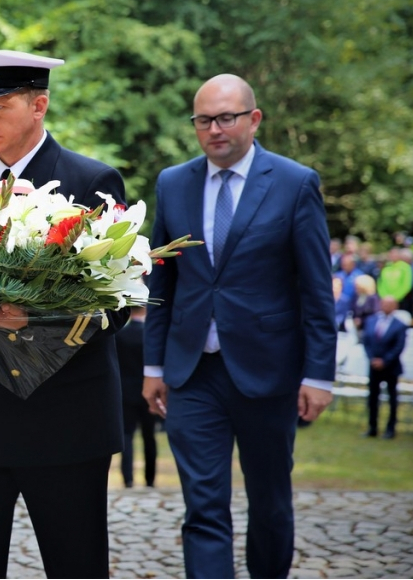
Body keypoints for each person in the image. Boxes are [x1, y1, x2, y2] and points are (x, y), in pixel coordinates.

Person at [0, 49, 129, 578]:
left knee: (75, 565)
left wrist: (35, 320)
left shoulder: (91, 182)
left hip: (65, 415)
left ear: (39, 104)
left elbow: (119, 304)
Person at [143, 74, 336, 579]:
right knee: (203, 507)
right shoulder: (173, 182)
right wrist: (154, 363)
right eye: (204, 120)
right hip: (192, 374)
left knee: (270, 502)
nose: (214, 130)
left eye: (226, 117)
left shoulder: (295, 183)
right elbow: (162, 281)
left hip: (268, 373)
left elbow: (316, 288)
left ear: (253, 119)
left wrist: (319, 375)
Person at [114, 305, 157, 488]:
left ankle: (128, 478)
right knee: (149, 436)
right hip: (150, 392)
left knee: (127, 436)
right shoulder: (151, 334)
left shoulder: (119, 335)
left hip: (126, 393)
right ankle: (150, 479)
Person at [362, 296, 407, 439]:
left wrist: (385, 361)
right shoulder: (371, 321)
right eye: (384, 304)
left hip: (391, 367)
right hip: (373, 366)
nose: (386, 307)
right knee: (373, 398)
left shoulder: (400, 325)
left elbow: (399, 346)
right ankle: (372, 427)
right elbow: (366, 342)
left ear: (395, 306)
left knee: (392, 398)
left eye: (390, 304)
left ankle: (390, 429)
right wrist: (372, 359)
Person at [350, 274, 381, 340]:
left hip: (368, 326)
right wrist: (355, 319)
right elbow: (353, 310)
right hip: (357, 327)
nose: (356, 288)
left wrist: (361, 320)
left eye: (358, 286)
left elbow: (375, 313)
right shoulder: (356, 296)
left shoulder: (373, 298)